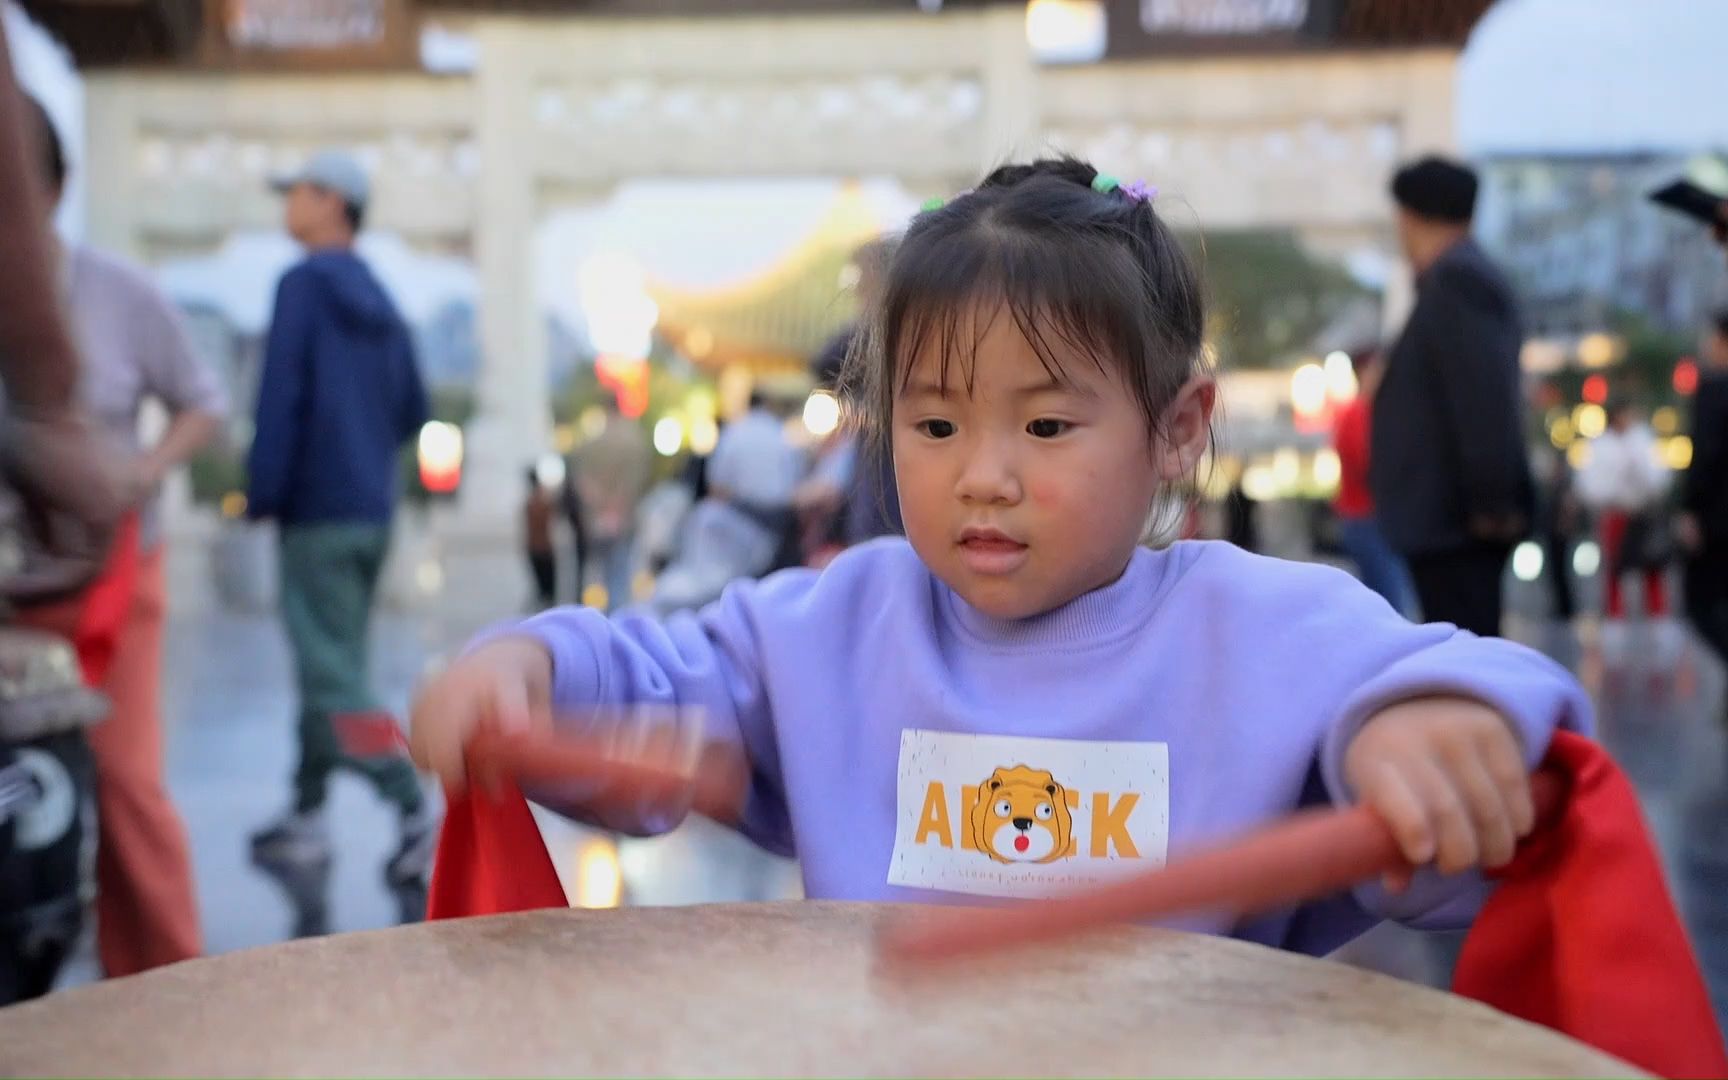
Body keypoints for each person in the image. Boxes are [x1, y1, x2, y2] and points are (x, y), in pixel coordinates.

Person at [410, 158, 1587, 958]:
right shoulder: (839, 626)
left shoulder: (1263, 630)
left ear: (1177, 429)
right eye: (932, 425)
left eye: (1046, 425)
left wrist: (1433, 727)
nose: (983, 473)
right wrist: (531, 669)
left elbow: (1490, 709)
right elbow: (657, 677)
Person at [13, 96, 226, 977]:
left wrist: (142, 472)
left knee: (127, 783)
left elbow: (203, 402)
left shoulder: (119, 294)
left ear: (50, 193)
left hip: (109, 578)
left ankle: (165, 992)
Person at [245, 150, 435, 885]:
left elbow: (280, 398)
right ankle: (308, 814)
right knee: (332, 667)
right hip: (369, 509)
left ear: (333, 202)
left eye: (298, 191)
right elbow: (414, 408)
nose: (288, 204)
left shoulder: (301, 286)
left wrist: (265, 491)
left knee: (331, 678)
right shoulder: (382, 301)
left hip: (317, 511)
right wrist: (362, 450)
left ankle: (416, 809)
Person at [1372, 156, 1533, 637]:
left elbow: (1482, 403)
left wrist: (1490, 505)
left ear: (1409, 216)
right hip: (1451, 523)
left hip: (1456, 526)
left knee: (1468, 656)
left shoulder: (1459, 283)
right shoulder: (1454, 280)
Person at [1332, 346, 1413, 616]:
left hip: (1374, 518)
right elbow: (1368, 465)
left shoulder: (1373, 413)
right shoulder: (1357, 414)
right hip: (1366, 518)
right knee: (1389, 602)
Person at [1576, 400, 1670, 625]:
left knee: (1652, 569)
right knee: (1614, 572)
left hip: (1643, 513)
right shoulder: (1600, 445)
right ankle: (1615, 620)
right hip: (1615, 515)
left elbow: (1659, 478)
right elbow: (1590, 486)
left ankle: (1657, 621)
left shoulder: (1642, 440)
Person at [1678, 309, 1728, 670]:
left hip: (1715, 522)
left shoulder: (1713, 391)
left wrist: (1690, 510)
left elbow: (1705, 456)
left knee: (1700, 605)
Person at [571, 400, 651, 611]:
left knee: (597, 575)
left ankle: (597, 620)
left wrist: (598, 503)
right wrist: (617, 506)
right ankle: (617, 623)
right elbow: (635, 483)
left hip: (595, 517)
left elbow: (581, 481)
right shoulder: (634, 442)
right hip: (623, 517)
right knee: (620, 574)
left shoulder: (591, 443)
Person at [524, 467, 557, 610]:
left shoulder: (531, 502)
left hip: (535, 547)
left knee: (543, 587)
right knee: (547, 588)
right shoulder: (541, 501)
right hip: (543, 548)